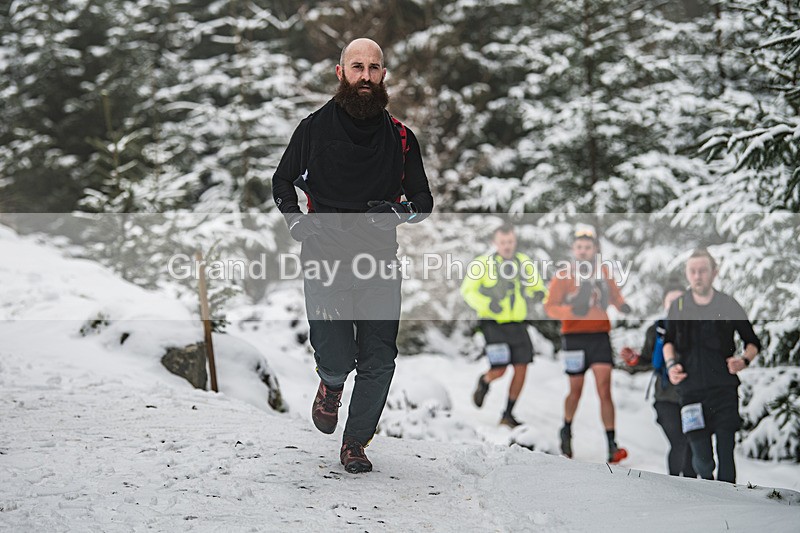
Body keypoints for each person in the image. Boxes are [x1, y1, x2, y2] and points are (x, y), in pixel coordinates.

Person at [271, 38, 434, 473]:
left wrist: (397, 212)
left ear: (383, 75)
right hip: (324, 256)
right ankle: (330, 384)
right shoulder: (313, 129)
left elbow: (423, 201)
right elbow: (282, 182)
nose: (366, 75)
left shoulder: (400, 138)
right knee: (339, 356)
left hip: (379, 261)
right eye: (357, 67)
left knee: (380, 359)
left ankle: (355, 443)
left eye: (374, 67)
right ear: (340, 72)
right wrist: (295, 221)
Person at [663, 248, 760, 483]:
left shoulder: (728, 304)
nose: (697, 276)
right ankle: (710, 503)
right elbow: (668, 342)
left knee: (726, 453)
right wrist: (671, 365)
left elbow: (752, 342)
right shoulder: (679, 306)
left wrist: (744, 361)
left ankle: (729, 506)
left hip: (724, 391)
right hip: (690, 393)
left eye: (703, 271)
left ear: (714, 273)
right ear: (687, 274)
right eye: (692, 271)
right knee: (703, 460)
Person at [544, 226, 631, 463]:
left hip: (599, 336)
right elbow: (550, 306)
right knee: (576, 390)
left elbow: (614, 295)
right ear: (574, 249)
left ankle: (612, 444)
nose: (583, 251)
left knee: (605, 389)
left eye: (588, 247)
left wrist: (622, 305)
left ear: (595, 249)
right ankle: (566, 430)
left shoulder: (603, 272)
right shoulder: (564, 275)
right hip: (574, 338)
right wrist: (571, 311)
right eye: (579, 247)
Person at [460, 224, 547, 428]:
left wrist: (540, 294)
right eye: (502, 242)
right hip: (493, 325)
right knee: (499, 370)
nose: (507, 246)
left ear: (514, 242)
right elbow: (467, 291)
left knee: (522, 368)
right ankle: (485, 381)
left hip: (517, 324)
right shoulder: (482, 264)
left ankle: (507, 413)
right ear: (495, 243)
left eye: (510, 242)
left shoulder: (523, 262)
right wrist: (487, 304)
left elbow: (538, 285)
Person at [620, 280, 696, 477]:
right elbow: (648, 360)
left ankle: (695, 490)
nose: (675, 305)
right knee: (679, 441)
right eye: (671, 301)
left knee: (692, 444)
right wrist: (634, 360)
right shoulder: (657, 330)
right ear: (664, 304)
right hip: (665, 398)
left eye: (680, 301)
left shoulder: (697, 328)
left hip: (693, 396)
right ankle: (675, 486)